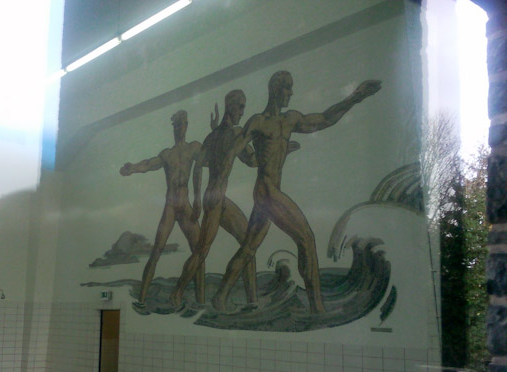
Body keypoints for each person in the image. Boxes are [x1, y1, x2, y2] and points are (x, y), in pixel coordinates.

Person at [211, 71, 382, 314]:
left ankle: (220, 297)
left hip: (268, 195)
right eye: (287, 88)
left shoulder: (290, 119)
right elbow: (232, 152)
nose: (291, 93)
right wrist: (218, 187)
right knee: (306, 239)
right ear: (275, 89)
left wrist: (355, 97)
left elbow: (324, 119)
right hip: (267, 192)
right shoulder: (258, 122)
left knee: (248, 248)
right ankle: (317, 307)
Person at [169, 90, 259, 308]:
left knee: (248, 244)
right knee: (202, 251)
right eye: (240, 107)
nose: (242, 112)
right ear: (231, 107)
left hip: (214, 198)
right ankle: (177, 293)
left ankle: (252, 300)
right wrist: (274, 149)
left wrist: (198, 199)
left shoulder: (212, 137)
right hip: (216, 201)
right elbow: (252, 161)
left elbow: (199, 166)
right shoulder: (236, 134)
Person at [120, 110, 205, 306]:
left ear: (187, 125)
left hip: (185, 205)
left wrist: (199, 199)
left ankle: (201, 301)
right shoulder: (168, 154)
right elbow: (149, 164)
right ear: (173, 128)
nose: (179, 128)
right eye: (176, 125)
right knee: (156, 251)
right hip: (171, 206)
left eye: (182, 124)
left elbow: (207, 161)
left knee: (199, 251)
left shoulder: (193, 148)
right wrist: (132, 168)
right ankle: (141, 299)